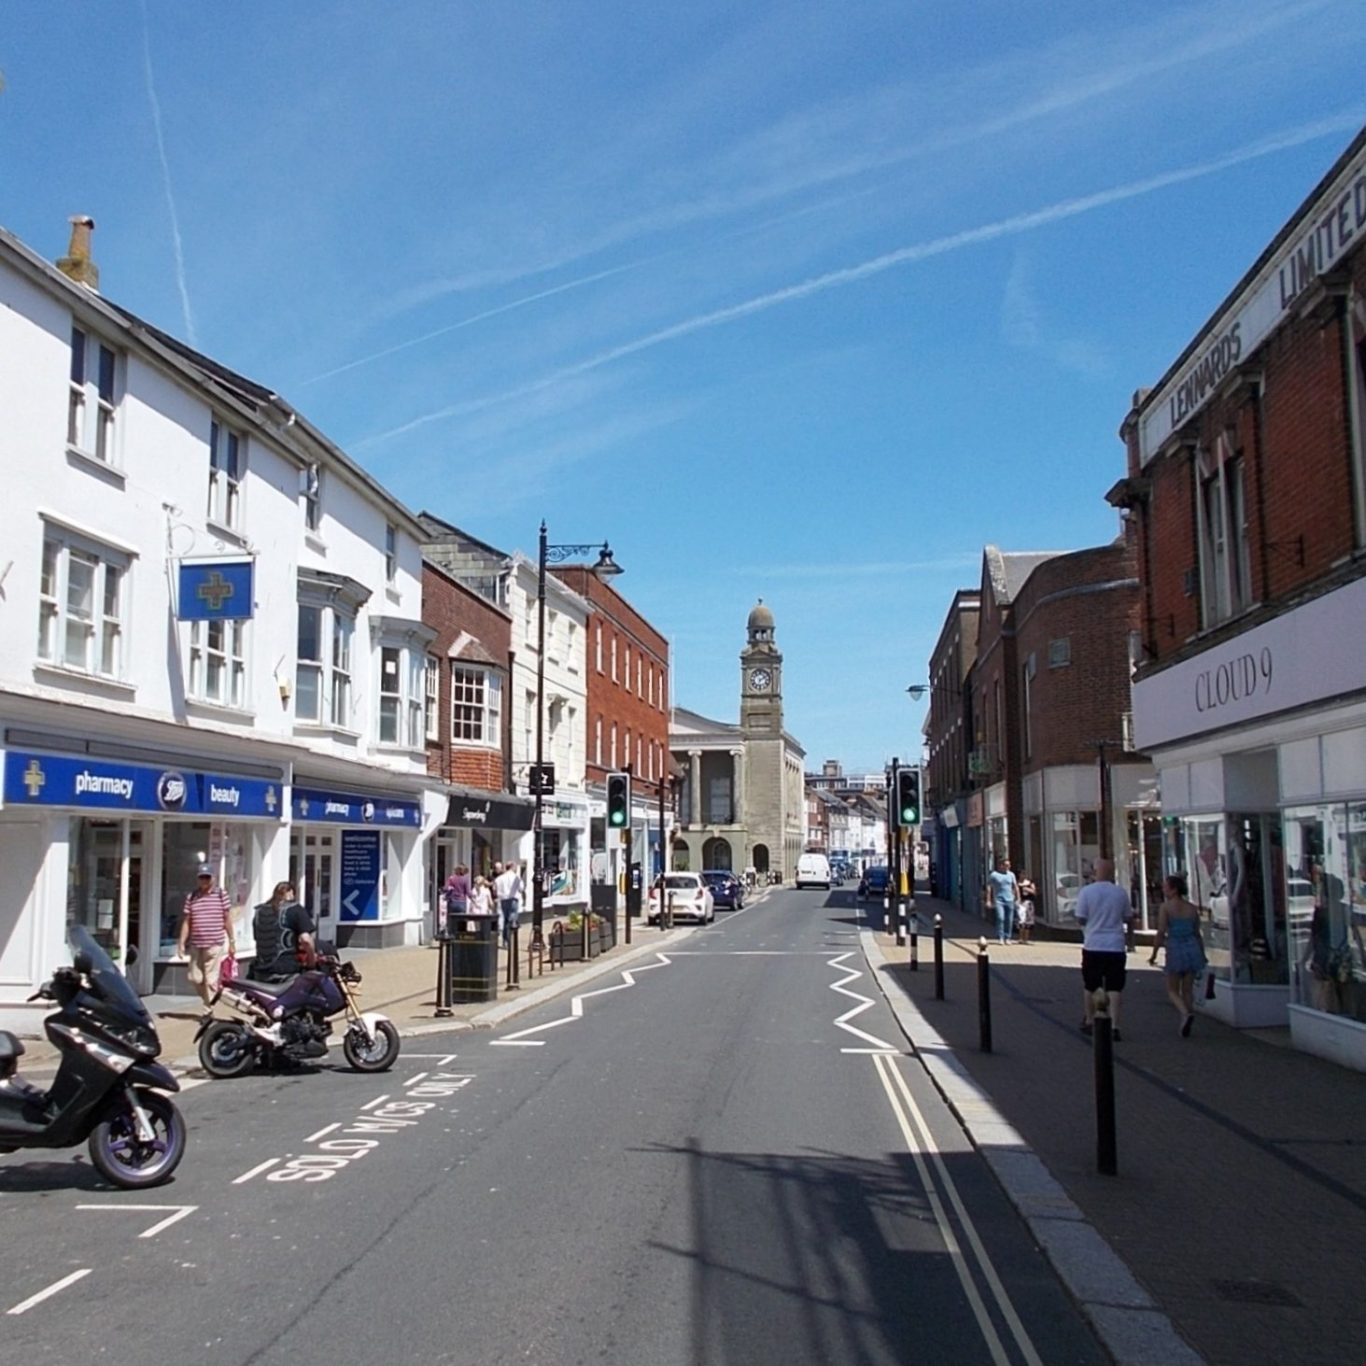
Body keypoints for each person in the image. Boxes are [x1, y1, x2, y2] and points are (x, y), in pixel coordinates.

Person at [1075, 857, 1136, 1040]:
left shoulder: (1086, 892)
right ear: (1112, 873)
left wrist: (1089, 925)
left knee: (1091, 984)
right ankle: (1115, 1026)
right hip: (1115, 945)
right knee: (1115, 987)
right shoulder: (1120, 893)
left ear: (1095, 872)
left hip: (1093, 944)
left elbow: (1080, 917)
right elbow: (1128, 917)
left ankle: (1091, 1021)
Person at [1148, 873, 1207, 1036]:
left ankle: (1184, 1014)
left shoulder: (1166, 908)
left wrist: (1154, 954)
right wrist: (1202, 954)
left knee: (1172, 989)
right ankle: (1187, 1017)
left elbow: (1161, 932)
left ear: (1173, 890)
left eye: (1166, 886)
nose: (1163, 889)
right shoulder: (1191, 908)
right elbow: (1197, 933)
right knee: (1187, 990)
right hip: (1192, 948)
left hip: (1175, 948)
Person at [177, 863, 236, 1009]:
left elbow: (227, 919)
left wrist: (232, 941)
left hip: (215, 944)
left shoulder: (221, 895)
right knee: (194, 978)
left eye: (207, 877)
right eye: (201, 877)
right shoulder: (192, 897)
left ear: (213, 878)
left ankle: (207, 1010)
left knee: (210, 980)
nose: (204, 880)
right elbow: (187, 922)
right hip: (196, 944)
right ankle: (209, 1000)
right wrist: (181, 943)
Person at [249, 880, 316, 983]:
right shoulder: (295, 909)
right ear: (290, 893)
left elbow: (257, 937)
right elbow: (306, 940)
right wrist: (312, 962)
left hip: (260, 971)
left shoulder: (259, 911)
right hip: (286, 972)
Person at [986, 856, 1019, 945]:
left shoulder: (1011, 875)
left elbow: (1015, 886)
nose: (1008, 867)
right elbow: (989, 887)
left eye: (1009, 865)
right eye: (1006, 865)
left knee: (1009, 919)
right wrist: (988, 899)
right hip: (999, 900)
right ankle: (1000, 937)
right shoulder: (994, 875)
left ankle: (1007, 937)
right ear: (1001, 866)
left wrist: (1018, 898)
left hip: (1010, 899)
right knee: (1001, 918)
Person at [494, 861, 524, 948]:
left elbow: (495, 889)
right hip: (513, 899)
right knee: (512, 920)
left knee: (506, 920)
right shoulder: (516, 877)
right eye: (515, 867)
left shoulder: (499, 878)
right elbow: (521, 888)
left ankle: (505, 941)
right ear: (512, 867)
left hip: (503, 900)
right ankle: (510, 940)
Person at [1015, 872, 1038, 946]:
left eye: (1025, 874)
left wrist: (1028, 889)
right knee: (1021, 920)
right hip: (1020, 903)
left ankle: (1026, 939)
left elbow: (1034, 892)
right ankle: (1020, 938)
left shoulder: (1030, 883)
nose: (1023, 876)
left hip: (1029, 903)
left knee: (1028, 920)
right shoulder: (1017, 883)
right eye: (1022, 874)